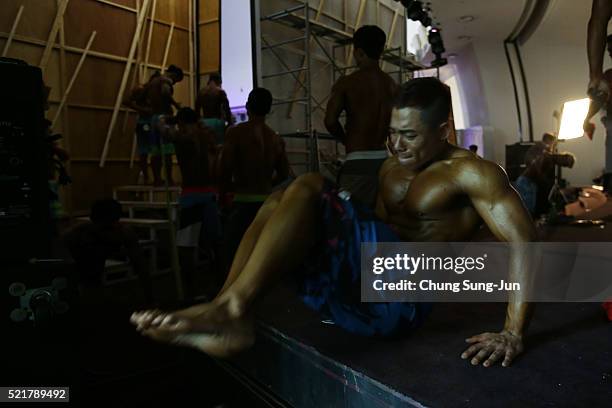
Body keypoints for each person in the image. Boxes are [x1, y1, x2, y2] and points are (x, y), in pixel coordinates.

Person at [131, 78, 537, 368]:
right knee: (281, 197)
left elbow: (525, 243)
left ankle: (231, 311)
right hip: (366, 292)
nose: (396, 145)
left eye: (409, 135)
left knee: (310, 185)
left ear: (443, 130)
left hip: (404, 300)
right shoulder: (392, 168)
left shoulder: (473, 173)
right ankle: (225, 308)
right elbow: (373, 231)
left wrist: (512, 333)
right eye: (392, 133)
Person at [325, 25, 398, 209]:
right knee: (381, 221)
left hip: (357, 164)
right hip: (385, 164)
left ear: (358, 52)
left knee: (351, 223)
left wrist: (344, 139)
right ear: (381, 51)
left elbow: (330, 121)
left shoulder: (347, 83)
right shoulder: (392, 86)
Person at [219, 88, 290, 269]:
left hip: (242, 202)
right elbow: (284, 174)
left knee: (234, 261)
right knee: (261, 262)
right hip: (266, 205)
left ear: (248, 106)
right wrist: (266, 185)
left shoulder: (236, 133)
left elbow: (224, 169)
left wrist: (225, 194)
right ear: (268, 110)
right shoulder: (275, 139)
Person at [159, 108, 221, 298]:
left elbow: (161, 127)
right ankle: (220, 285)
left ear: (181, 122)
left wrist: (164, 118)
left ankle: (191, 292)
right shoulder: (208, 135)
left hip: (192, 195)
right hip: (210, 194)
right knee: (215, 244)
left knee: (186, 246)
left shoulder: (182, 136)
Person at [64, 199, 152, 304]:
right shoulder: (78, 235)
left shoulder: (123, 233)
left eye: (108, 225)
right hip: (78, 270)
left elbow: (140, 265)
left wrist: (150, 298)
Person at [514, 133, 575, 215]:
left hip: (528, 183)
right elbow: (536, 166)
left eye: (565, 164)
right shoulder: (546, 154)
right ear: (563, 156)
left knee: (527, 212)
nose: (563, 164)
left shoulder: (549, 158)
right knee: (526, 213)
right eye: (565, 161)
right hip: (527, 183)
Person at [146, 64, 184, 185]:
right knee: (167, 151)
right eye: (176, 81)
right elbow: (166, 92)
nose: (174, 83)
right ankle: (169, 179)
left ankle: (157, 179)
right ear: (175, 75)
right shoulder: (165, 80)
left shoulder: (152, 82)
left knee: (155, 151)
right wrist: (176, 105)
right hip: (164, 118)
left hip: (153, 118)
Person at [584, 31, 612, 193]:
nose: (610, 54)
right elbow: (599, 99)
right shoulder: (608, 76)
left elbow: (599, 99)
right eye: (609, 51)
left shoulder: (608, 76)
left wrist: (586, 119)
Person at [124, 72, 159, 184]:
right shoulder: (142, 89)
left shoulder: (156, 90)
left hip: (151, 122)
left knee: (154, 151)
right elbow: (126, 101)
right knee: (145, 151)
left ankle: (154, 178)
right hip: (144, 122)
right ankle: (148, 178)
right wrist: (141, 109)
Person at [196, 73, 232, 145]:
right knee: (218, 147)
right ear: (219, 81)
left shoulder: (201, 92)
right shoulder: (220, 92)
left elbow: (197, 109)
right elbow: (226, 109)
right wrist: (229, 123)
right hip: (217, 123)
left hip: (204, 123)